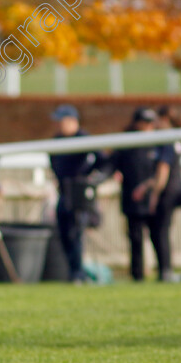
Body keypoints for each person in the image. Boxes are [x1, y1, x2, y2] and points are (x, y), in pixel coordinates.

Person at [111, 107, 177, 281]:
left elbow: (163, 171)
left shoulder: (163, 141)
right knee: (135, 238)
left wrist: (153, 192)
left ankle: (165, 272)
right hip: (133, 199)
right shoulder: (126, 143)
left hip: (157, 198)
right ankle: (137, 275)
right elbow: (113, 164)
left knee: (160, 235)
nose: (147, 126)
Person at [48, 104, 107, 283]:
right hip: (64, 192)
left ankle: (78, 274)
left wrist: (90, 179)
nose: (58, 124)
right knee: (64, 232)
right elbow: (53, 162)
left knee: (76, 232)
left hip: (79, 193)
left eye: (61, 121)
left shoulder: (84, 138)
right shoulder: (56, 140)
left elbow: (103, 161)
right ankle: (74, 272)